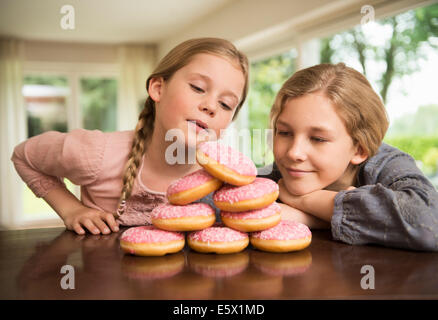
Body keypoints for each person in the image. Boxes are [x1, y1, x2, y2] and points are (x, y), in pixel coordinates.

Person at [12, 38, 249, 235]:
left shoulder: (226, 181)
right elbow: (24, 156)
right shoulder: (97, 153)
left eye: (226, 104)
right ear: (158, 88)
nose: (211, 107)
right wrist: (71, 210)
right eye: (197, 88)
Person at [259, 63, 438, 251]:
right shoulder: (282, 172)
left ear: (360, 149)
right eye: (285, 132)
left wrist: (306, 203)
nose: (294, 152)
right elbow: (227, 207)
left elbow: (429, 221)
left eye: (318, 138)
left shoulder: (386, 163)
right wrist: (317, 218)